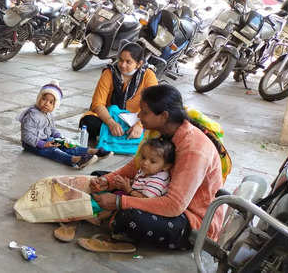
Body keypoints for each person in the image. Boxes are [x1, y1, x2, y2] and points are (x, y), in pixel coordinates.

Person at [78, 84, 224, 252]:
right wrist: (108, 181)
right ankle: (114, 217)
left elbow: (174, 205)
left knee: (129, 217)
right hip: (158, 191)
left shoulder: (194, 149)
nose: (139, 116)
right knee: (99, 176)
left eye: (145, 112)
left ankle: (119, 227)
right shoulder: (162, 131)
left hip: (192, 221)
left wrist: (120, 202)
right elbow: (136, 166)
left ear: (164, 116)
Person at [54, 137, 174, 242]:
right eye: (143, 157)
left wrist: (128, 189)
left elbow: (145, 200)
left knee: (117, 205)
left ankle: (96, 216)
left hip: (142, 206)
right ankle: (90, 208)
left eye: (152, 161)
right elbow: (138, 182)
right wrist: (117, 183)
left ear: (166, 166)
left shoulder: (157, 180)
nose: (145, 163)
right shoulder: (147, 170)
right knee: (100, 179)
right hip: (131, 195)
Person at [18, 80, 112, 169]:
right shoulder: (32, 115)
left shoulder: (48, 114)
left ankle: (91, 151)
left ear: (55, 106)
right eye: (44, 99)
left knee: (66, 144)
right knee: (53, 151)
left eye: (51, 102)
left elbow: (52, 129)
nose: (46, 103)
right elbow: (26, 135)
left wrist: (59, 137)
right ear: (39, 98)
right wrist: (43, 144)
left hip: (47, 139)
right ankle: (75, 160)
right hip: (33, 144)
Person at [79, 43, 158, 145]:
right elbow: (97, 103)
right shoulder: (109, 72)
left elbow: (154, 105)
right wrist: (111, 123)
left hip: (136, 120)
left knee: (156, 126)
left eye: (128, 62)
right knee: (87, 122)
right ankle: (122, 137)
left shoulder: (148, 75)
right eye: (120, 60)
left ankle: (114, 135)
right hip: (111, 117)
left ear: (139, 64)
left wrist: (139, 125)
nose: (122, 65)